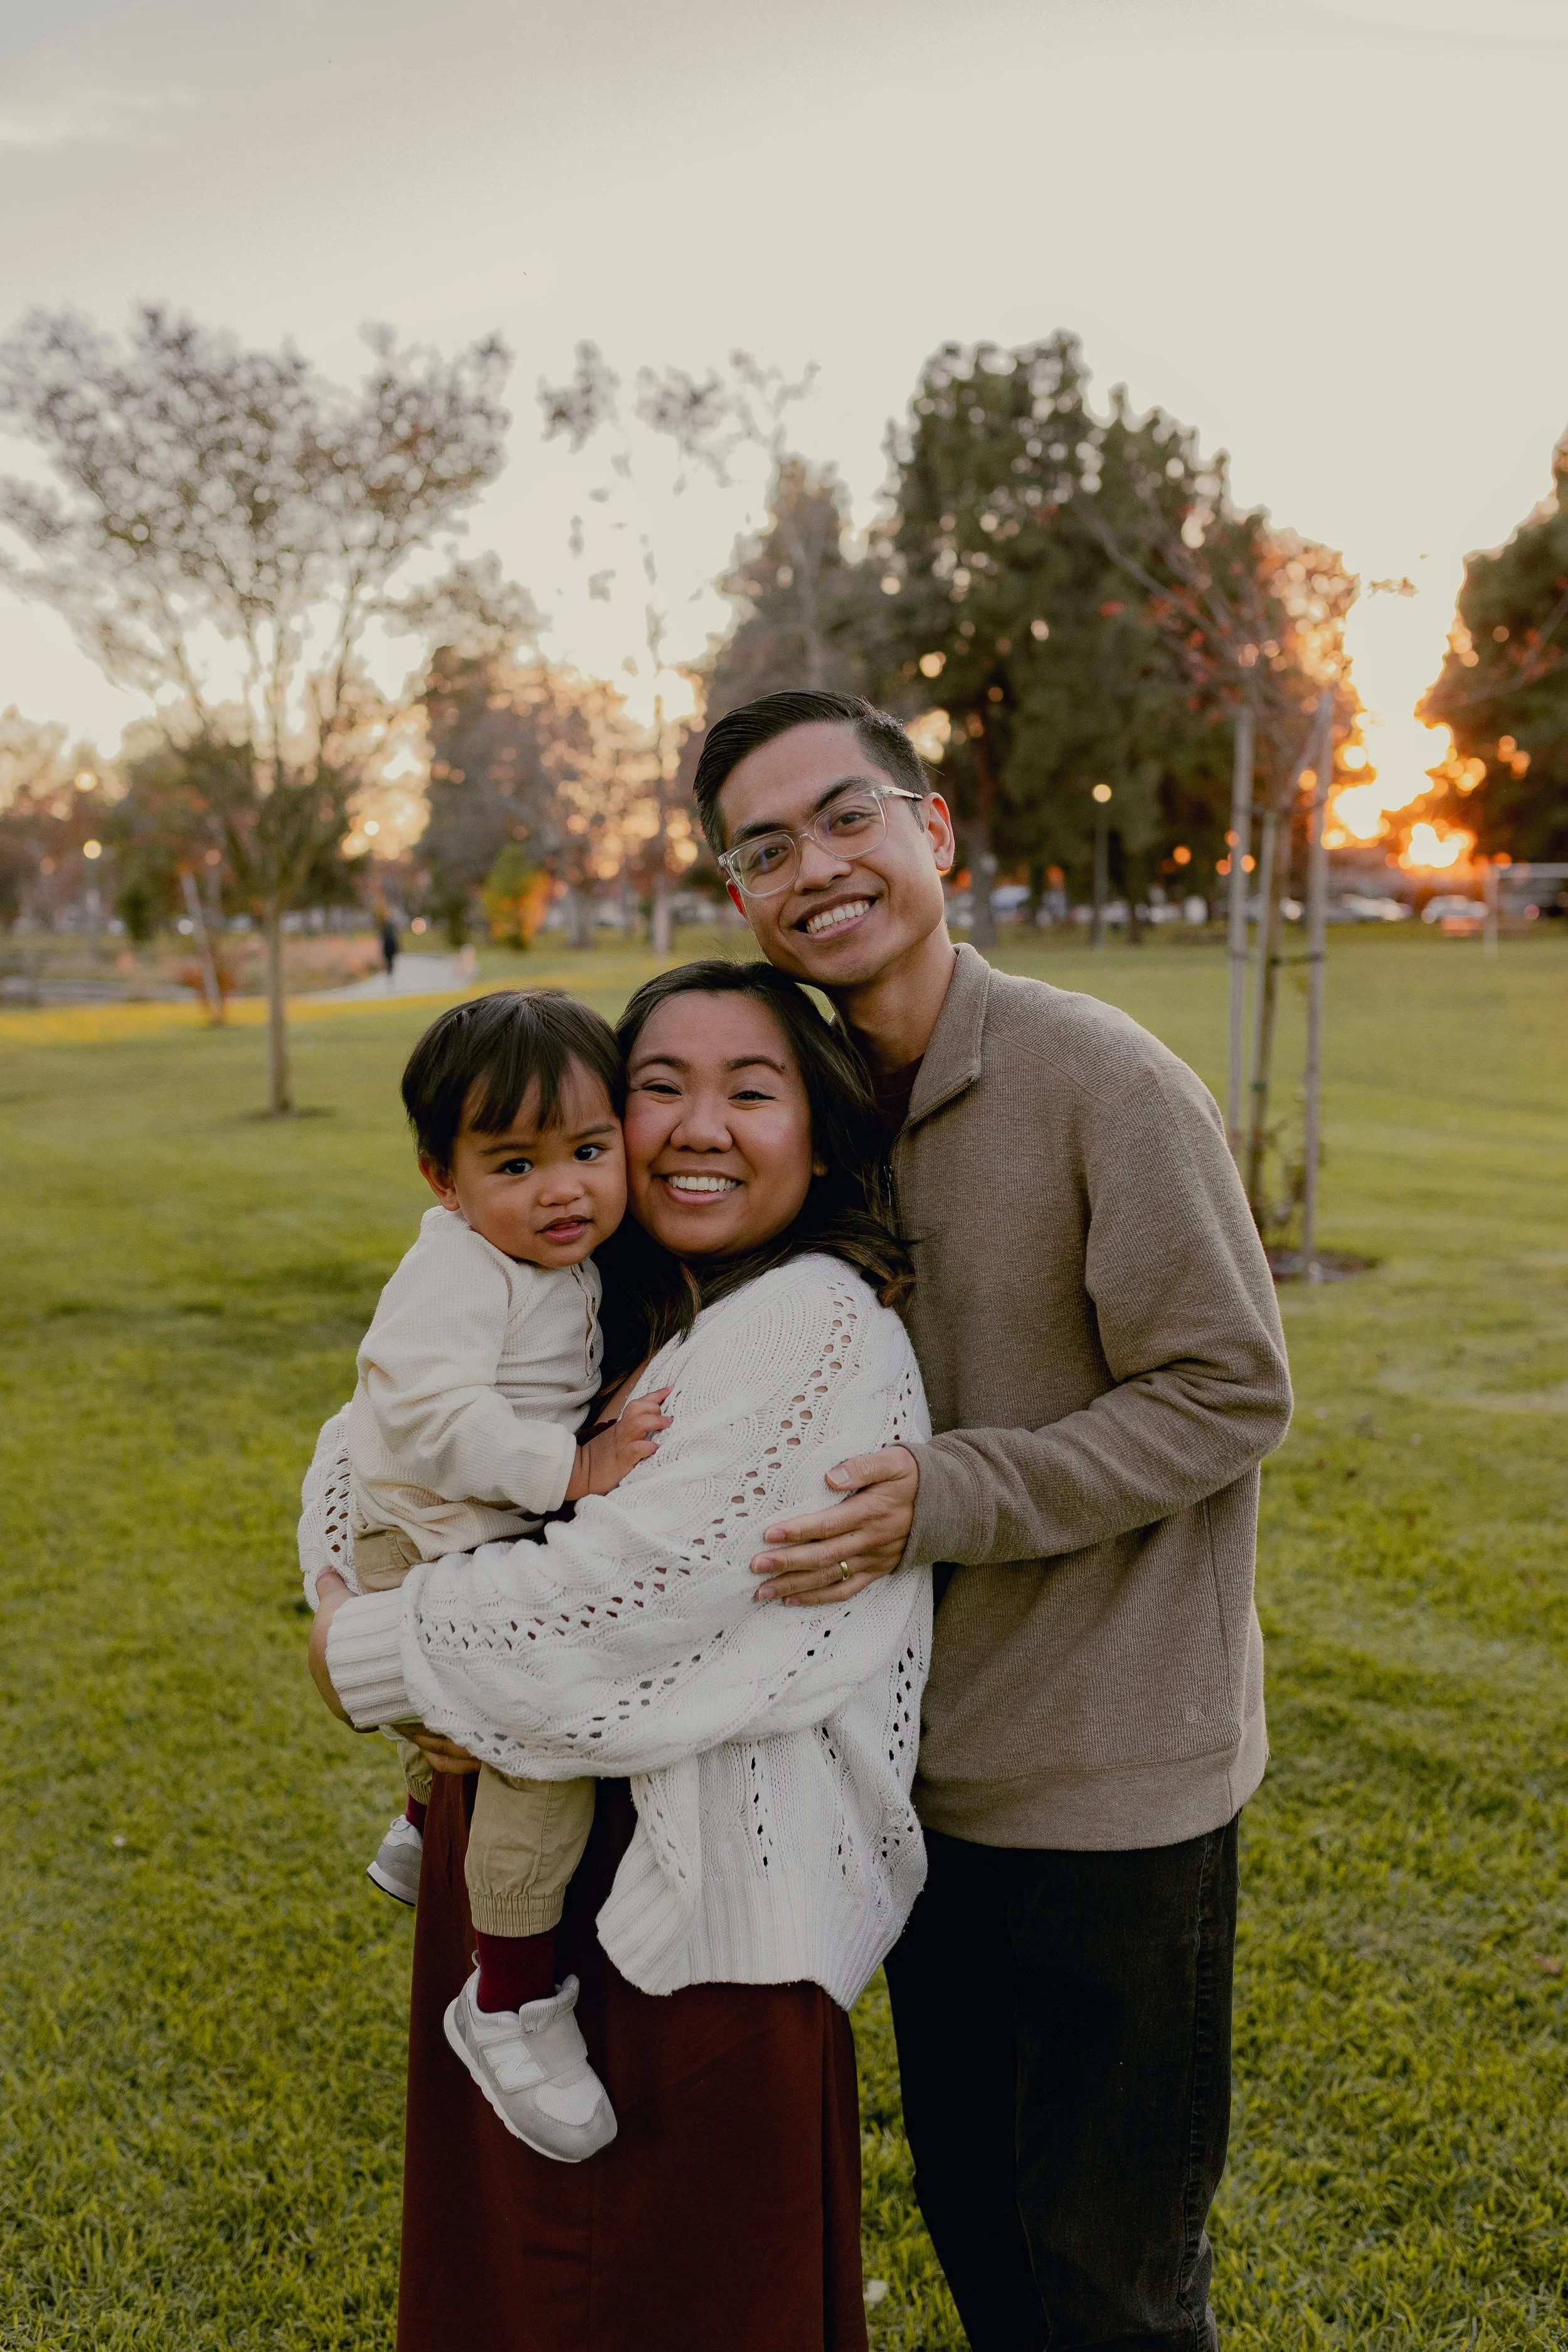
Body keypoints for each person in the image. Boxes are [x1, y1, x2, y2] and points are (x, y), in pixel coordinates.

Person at [692, 690, 1295, 2352]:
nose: (812, 866)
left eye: (843, 816)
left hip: (1111, 1785)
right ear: (738, 897)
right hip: (900, 1781)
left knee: (1104, 2282)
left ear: (932, 829)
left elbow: (1229, 1389)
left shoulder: (1103, 1078)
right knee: (979, 2238)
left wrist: (947, 1495)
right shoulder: (798, 1117)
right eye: (763, 848)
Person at [304, 959, 933, 2352]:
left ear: (818, 1135)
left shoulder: (808, 1319)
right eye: (660, 1088)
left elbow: (622, 1596)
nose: (697, 1126)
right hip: (539, 1870)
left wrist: (365, 1645)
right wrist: (347, 1587)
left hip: (700, 1924)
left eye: (749, 1090)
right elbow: (364, 1439)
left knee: (669, 2295)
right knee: (526, 2290)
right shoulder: (608, 1292)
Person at [330, 990, 671, 2161]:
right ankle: (510, 1995)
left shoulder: (548, 1254)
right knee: (542, 1747)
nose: (564, 1189)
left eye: (587, 1151)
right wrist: (570, 1466)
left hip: (457, 1532)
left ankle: (421, 1826)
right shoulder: (461, 1273)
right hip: (427, 1535)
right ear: (445, 1180)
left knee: (486, 1729)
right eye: (516, 1163)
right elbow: (423, 1413)